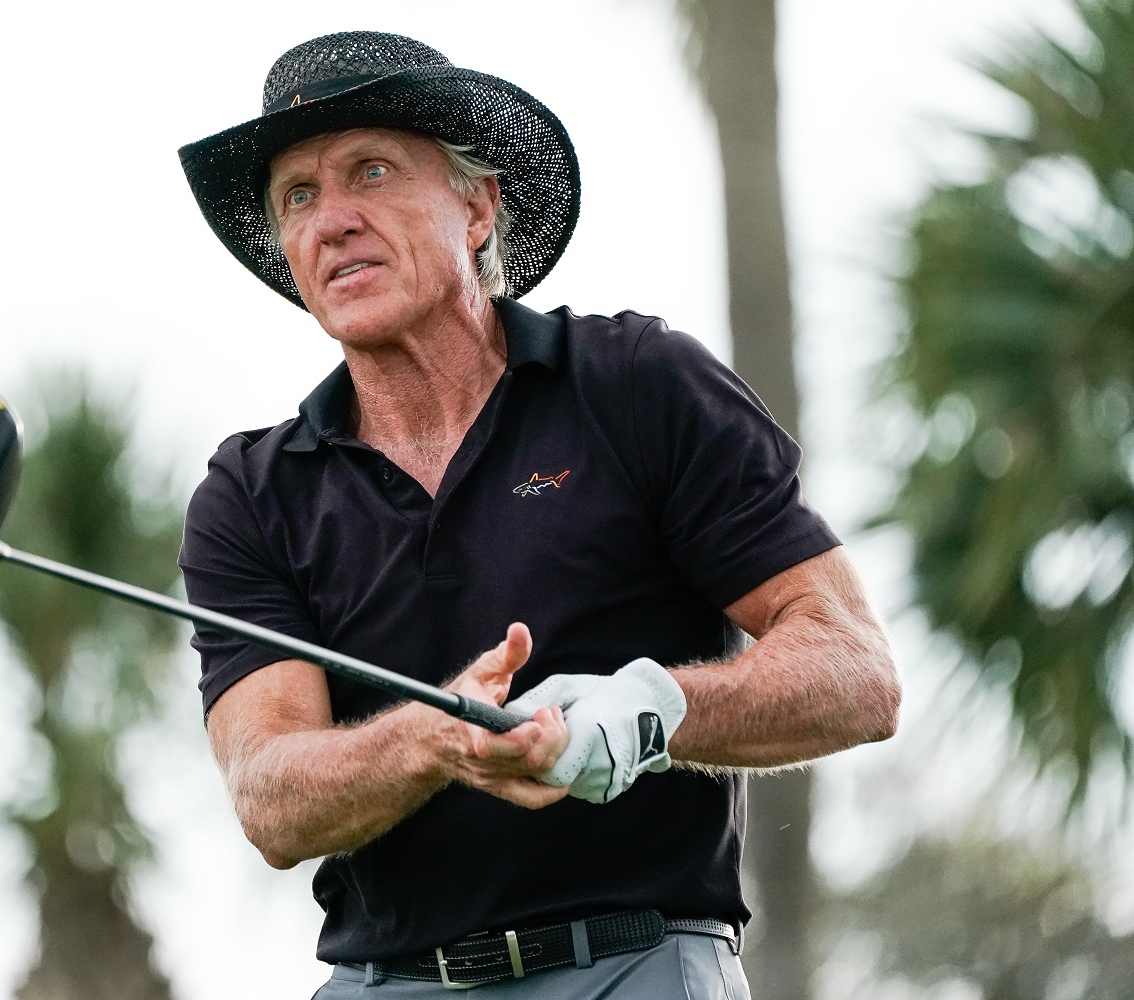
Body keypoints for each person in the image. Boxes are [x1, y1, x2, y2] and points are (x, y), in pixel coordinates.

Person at [176, 31, 900, 997]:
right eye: (297, 195)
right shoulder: (251, 492)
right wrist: (436, 735)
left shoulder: (638, 385)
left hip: (640, 965)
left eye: (372, 170)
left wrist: (645, 709)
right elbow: (271, 798)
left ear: (477, 205)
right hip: (384, 981)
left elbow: (855, 669)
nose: (332, 218)